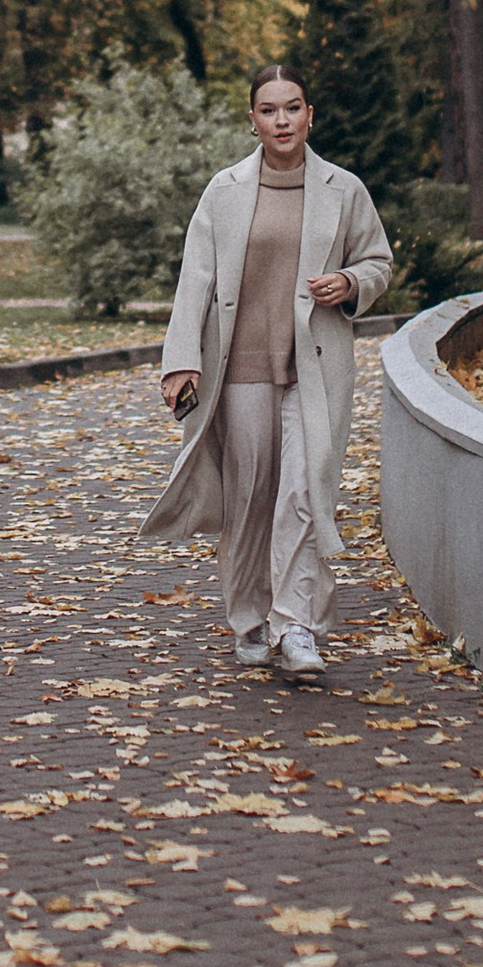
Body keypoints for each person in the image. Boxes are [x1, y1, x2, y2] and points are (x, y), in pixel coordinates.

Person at [141, 62, 393, 683]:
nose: (283, 120)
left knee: (306, 490)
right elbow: (193, 281)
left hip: (314, 366)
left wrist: (352, 281)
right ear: (252, 120)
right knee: (250, 495)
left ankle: (296, 623)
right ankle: (249, 618)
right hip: (240, 369)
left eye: (294, 107)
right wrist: (180, 362)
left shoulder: (343, 189)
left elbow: (378, 260)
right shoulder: (224, 191)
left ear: (311, 115)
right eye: (270, 110)